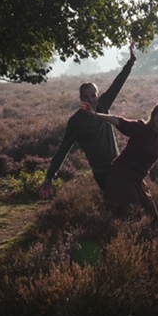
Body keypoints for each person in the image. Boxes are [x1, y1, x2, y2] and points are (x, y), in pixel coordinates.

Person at [39, 43, 136, 199]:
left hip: (119, 165)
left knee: (132, 201)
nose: (91, 100)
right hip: (102, 172)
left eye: (93, 95)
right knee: (121, 202)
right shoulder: (76, 121)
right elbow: (63, 150)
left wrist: (130, 63)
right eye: (87, 97)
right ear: (81, 99)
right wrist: (50, 177)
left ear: (97, 95)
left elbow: (117, 84)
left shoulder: (103, 104)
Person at [81, 101, 158, 223]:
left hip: (137, 179)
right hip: (121, 175)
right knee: (133, 212)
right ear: (153, 115)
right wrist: (94, 114)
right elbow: (118, 121)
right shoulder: (140, 128)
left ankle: (148, 239)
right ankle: (121, 238)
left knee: (151, 213)